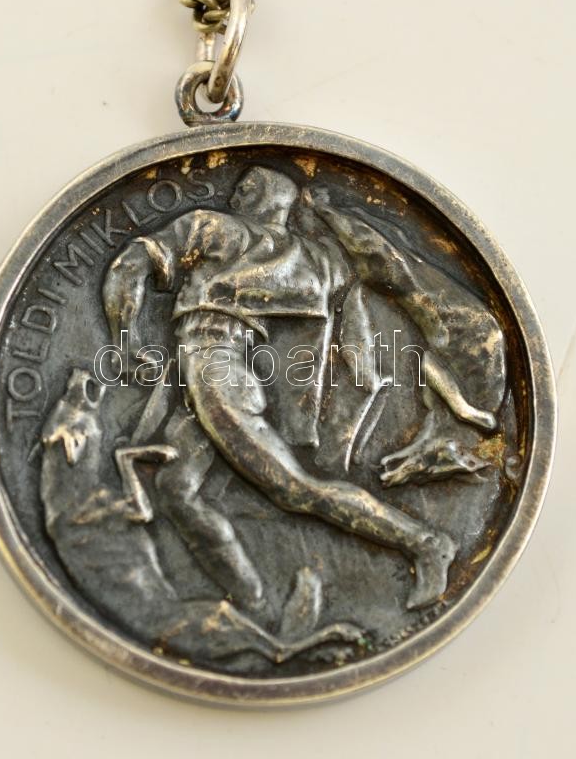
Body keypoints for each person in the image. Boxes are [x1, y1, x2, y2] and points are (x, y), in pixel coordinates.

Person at [102, 166, 457, 611]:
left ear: (258, 195)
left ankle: (424, 542)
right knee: (175, 487)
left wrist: (124, 342)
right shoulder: (316, 261)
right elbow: (354, 340)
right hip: (215, 366)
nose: (235, 195)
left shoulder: (215, 228)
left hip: (213, 364)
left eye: (244, 188)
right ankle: (248, 604)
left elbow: (129, 264)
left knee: (293, 487)